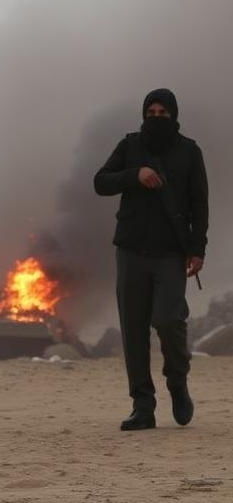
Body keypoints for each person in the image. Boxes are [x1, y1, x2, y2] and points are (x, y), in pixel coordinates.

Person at [94, 88, 208, 431]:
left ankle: (177, 381)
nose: (156, 118)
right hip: (131, 251)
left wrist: (197, 250)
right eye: (151, 112)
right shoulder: (130, 146)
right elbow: (101, 182)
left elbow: (200, 205)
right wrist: (135, 174)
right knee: (134, 330)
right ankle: (142, 405)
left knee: (169, 320)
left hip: (170, 253)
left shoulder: (189, 151)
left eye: (163, 113)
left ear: (173, 115)